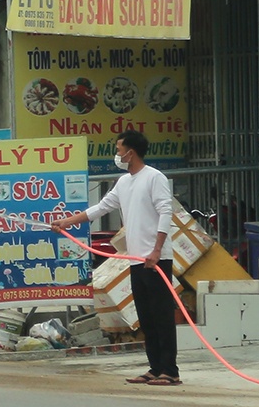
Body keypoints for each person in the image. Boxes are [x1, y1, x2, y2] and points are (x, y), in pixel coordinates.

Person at [55, 129, 179, 386]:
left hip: (156, 259)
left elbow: (166, 212)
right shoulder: (123, 182)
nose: (117, 154)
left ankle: (170, 370)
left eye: (119, 150)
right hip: (135, 259)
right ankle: (155, 368)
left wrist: (157, 250)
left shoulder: (154, 178)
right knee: (145, 316)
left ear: (130, 153)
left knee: (161, 315)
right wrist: (67, 222)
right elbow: (101, 208)